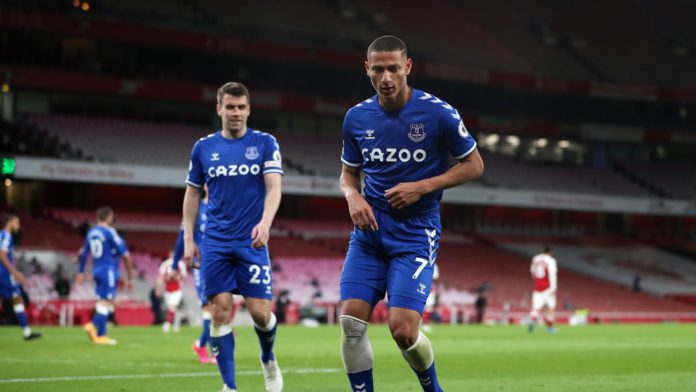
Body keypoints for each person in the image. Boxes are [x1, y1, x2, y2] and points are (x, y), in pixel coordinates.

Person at [339, 35, 484, 392]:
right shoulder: (356, 118)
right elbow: (348, 173)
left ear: (408, 67)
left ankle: (431, 388)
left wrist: (422, 186)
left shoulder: (438, 113)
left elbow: (474, 165)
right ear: (367, 70)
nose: (386, 77)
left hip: (415, 234)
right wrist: (352, 195)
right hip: (370, 235)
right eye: (378, 69)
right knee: (350, 322)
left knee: (403, 331)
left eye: (393, 68)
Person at [183, 81, 284, 392]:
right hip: (215, 242)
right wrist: (189, 239)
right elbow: (191, 195)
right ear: (219, 109)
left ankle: (268, 358)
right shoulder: (203, 148)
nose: (236, 113)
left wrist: (266, 223)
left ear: (249, 109)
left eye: (241, 107)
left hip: (251, 242)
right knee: (220, 311)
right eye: (230, 107)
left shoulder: (265, 143)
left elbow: (273, 187)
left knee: (261, 314)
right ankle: (230, 386)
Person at [76, 206, 133, 345]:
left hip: (97, 270)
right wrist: (130, 278)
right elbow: (125, 255)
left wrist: (81, 272)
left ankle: (101, 336)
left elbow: (84, 254)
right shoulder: (110, 232)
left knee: (102, 303)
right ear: (109, 217)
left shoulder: (91, 232)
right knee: (107, 302)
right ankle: (92, 325)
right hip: (108, 270)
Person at [172, 188, 217, 363]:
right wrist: (175, 263)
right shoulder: (195, 208)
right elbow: (182, 237)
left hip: (220, 263)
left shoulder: (222, 206)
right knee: (208, 307)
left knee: (218, 309)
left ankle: (200, 344)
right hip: (202, 264)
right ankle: (214, 352)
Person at [0, 214, 41, 340]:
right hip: (4, 273)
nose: (19, 226)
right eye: (17, 223)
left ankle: (27, 331)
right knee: (17, 298)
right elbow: (2, 255)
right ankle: (27, 332)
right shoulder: (7, 236)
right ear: (10, 223)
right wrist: (14, 272)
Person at [528, 245, 558, 333]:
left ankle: (532, 320)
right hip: (548, 288)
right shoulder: (551, 261)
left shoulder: (535, 258)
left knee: (536, 308)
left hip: (537, 287)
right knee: (550, 309)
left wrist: (537, 280)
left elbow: (532, 271)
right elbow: (552, 274)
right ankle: (550, 328)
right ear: (550, 252)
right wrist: (553, 288)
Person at [156, 252, 187, 333]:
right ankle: (176, 324)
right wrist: (158, 289)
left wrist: (182, 284)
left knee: (172, 307)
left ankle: (167, 324)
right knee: (171, 308)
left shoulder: (180, 264)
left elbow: (184, 276)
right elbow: (161, 277)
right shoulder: (165, 264)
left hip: (177, 289)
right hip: (167, 290)